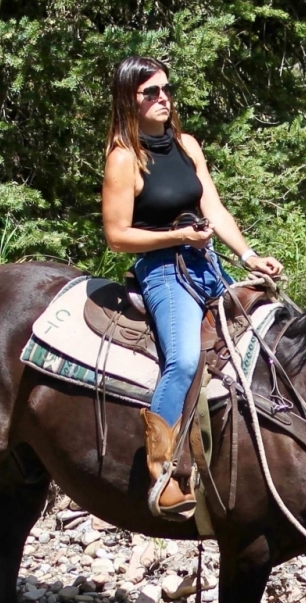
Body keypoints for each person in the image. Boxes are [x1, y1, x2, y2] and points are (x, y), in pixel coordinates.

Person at [100, 56, 283, 517]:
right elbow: (118, 235)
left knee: (265, 336)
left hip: (206, 263)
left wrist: (247, 255)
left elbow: (214, 209)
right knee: (183, 360)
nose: (163, 98)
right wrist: (177, 236)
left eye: (165, 89)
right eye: (150, 93)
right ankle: (163, 475)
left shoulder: (186, 145)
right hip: (160, 268)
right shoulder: (125, 159)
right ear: (129, 100)